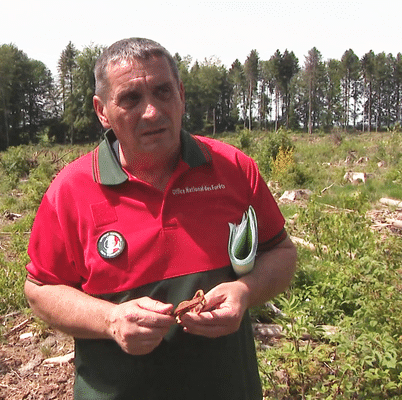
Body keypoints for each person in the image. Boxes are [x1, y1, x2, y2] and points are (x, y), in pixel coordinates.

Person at [24, 37, 297, 400]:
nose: (151, 111)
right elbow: (41, 290)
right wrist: (111, 320)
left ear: (181, 95)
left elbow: (281, 252)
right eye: (130, 98)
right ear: (102, 110)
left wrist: (244, 291)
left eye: (163, 91)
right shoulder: (71, 191)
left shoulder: (233, 169)